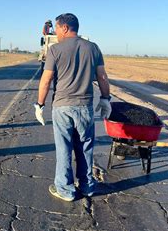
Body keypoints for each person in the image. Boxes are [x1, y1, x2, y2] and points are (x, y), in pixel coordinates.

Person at [34, 13, 112, 202]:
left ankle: (66, 190)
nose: (57, 32)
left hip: (62, 107)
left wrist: (40, 104)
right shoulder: (93, 48)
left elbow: (46, 80)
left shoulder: (55, 50)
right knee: (85, 147)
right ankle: (86, 186)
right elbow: (102, 77)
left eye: (58, 28)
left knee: (64, 148)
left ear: (65, 28)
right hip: (85, 107)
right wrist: (105, 98)